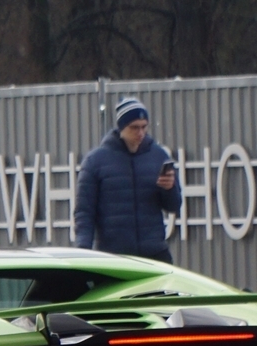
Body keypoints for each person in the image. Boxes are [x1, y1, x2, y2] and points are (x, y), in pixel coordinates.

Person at [75, 95, 180, 262]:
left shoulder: (159, 156)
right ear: (121, 127)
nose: (141, 133)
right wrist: (83, 251)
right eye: (134, 128)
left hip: (154, 251)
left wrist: (169, 189)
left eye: (144, 127)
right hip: (114, 255)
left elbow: (174, 205)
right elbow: (84, 212)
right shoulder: (95, 162)